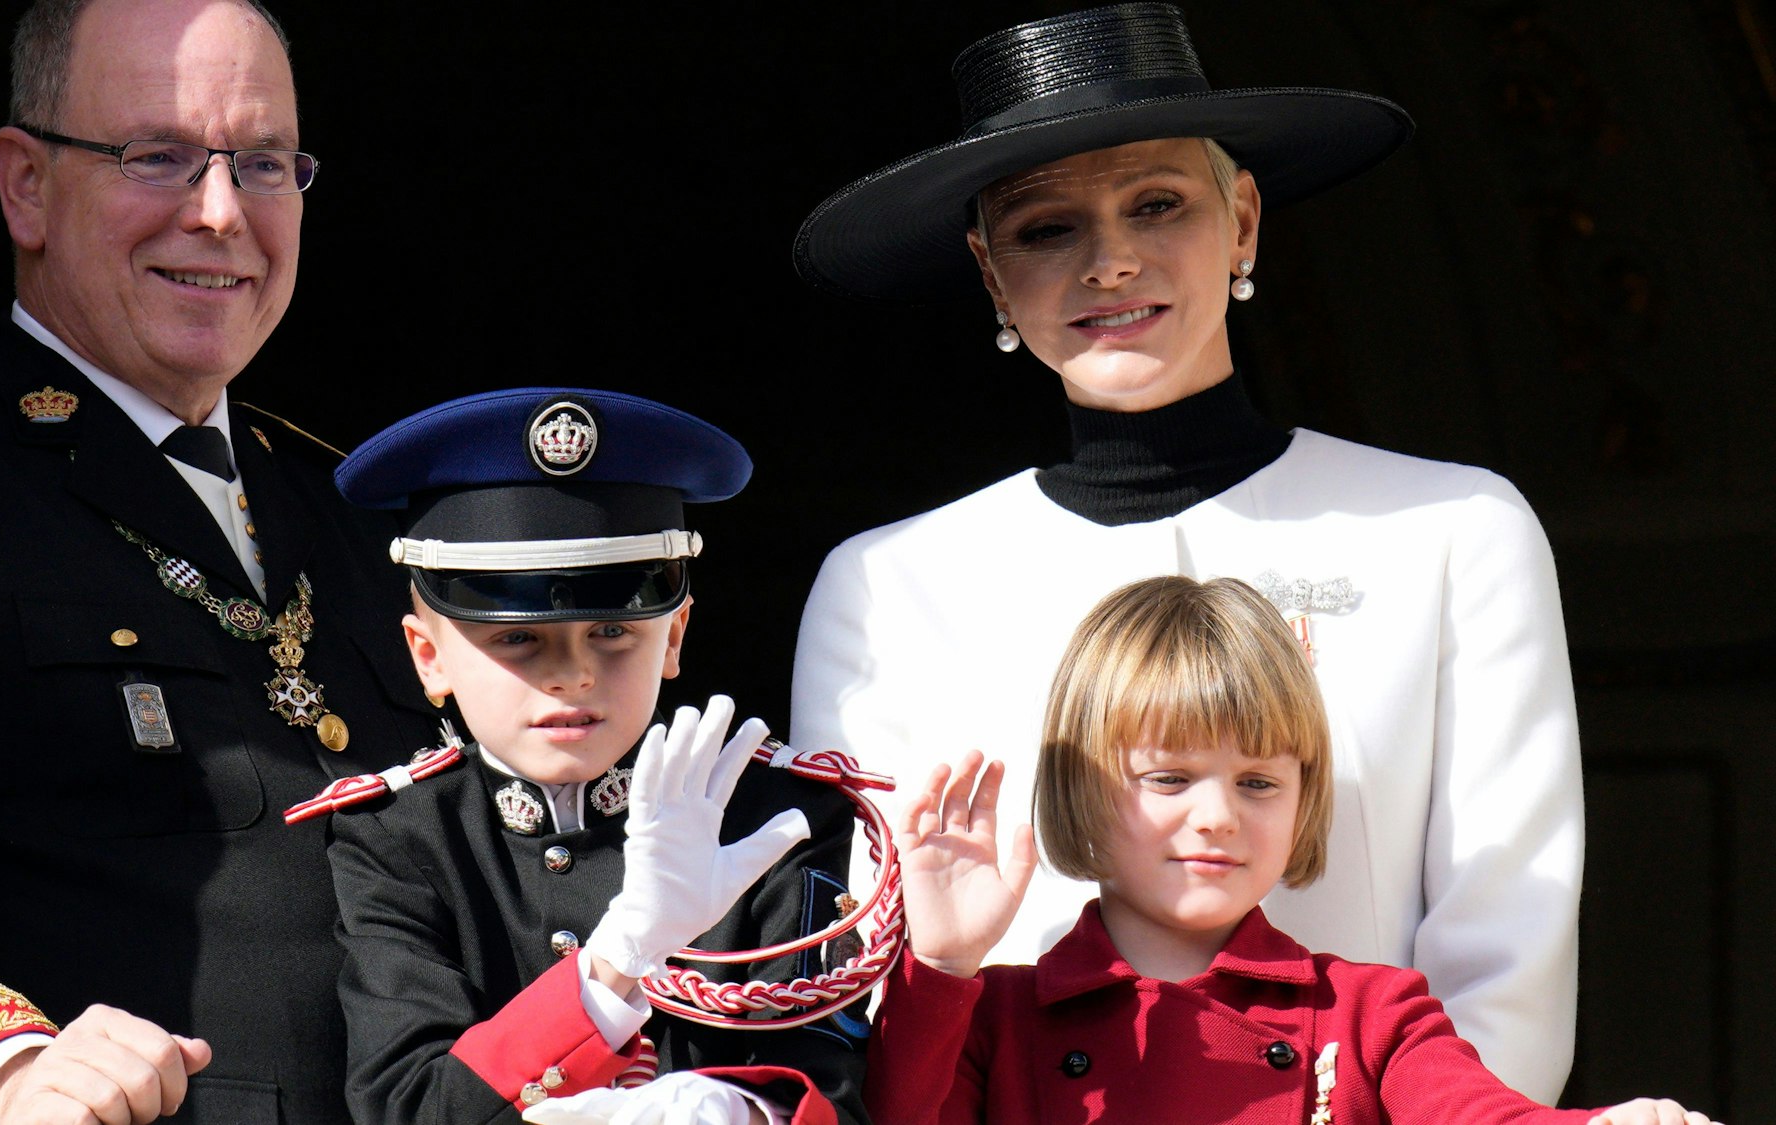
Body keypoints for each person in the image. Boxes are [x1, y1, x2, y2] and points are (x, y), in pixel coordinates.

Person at [787, 1, 1583, 1100]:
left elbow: (1510, 937)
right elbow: (880, 968)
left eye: (1156, 204)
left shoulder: (1450, 532)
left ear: (1242, 221)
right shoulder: (884, 586)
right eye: (1045, 228)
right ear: (987, 271)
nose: (1109, 262)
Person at [0, 2, 436, 1122]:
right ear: (26, 184)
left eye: (263, 163)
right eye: (156, 158)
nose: (222, 213)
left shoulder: (357, 513)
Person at [867, 575, 1707, 1124]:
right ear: (1084, 787)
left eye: (1259, 782)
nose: (1219, 815)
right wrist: (940, 963)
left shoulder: (1370, 1010)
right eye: (1170, 778)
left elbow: (1481, 1116)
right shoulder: (993, 1018)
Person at [300, 388, 869, 1124]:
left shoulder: (771, 816)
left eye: (612, 629)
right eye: (517, 637)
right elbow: (408, 1105)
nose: (571, 673)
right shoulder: (399, 837)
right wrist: (613, 963)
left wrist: (734, 1111)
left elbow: (835, 1091)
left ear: (673, 636)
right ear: (428, 656)